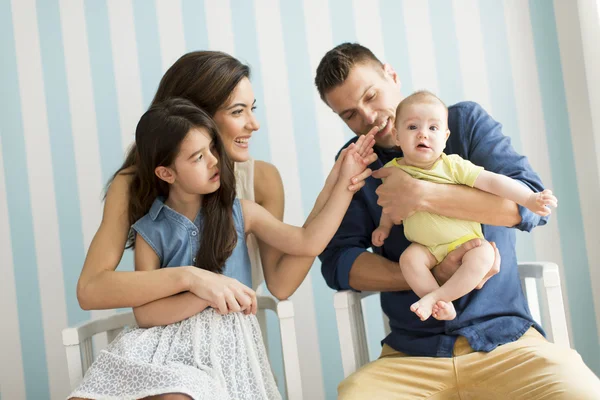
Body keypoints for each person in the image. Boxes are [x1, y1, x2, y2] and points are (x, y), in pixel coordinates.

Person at [316, 42, 600, 399]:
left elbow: (527, 206)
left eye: (371, 96)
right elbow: (338, 263)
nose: (368, 117)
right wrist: (432, 279)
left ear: (392, 75)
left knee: (582, 393)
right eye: (350, 114)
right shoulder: (358, 160)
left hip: (507, 342)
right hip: (410, 355)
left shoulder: (463, 123)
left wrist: (421, 195)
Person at [69, 98, 374, 399]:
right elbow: (146, 315)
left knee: (178, 395)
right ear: (166, 173)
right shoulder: (151, 230)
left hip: (220, 349)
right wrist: (204, 295)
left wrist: (344, 184)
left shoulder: (241, 213)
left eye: (212, 149)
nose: (215, 160)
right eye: (198, 157)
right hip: (157, 347)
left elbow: (309, 241)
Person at [75, 51, 375, 315]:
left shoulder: (261, 180)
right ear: (195, 117)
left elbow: (282, 283)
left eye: (251, 108)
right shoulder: (132, 184)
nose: (253, 124)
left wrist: (333, 188)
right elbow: (91, 289)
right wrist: (192, 278)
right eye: (237, 111)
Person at [372, 90, 557, 322]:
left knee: (484, 256)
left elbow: (492, 181)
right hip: (427, 248)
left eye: (433, 128)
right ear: (397, 137)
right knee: (408, 260)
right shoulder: (393, 170)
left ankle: (437, 298)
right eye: (412, 128)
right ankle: (439, 303)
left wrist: (529, 199)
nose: (423, 134)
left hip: (465, 243)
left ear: (445, 137)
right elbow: (389, 204)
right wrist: (384, 227)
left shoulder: (453, 166)